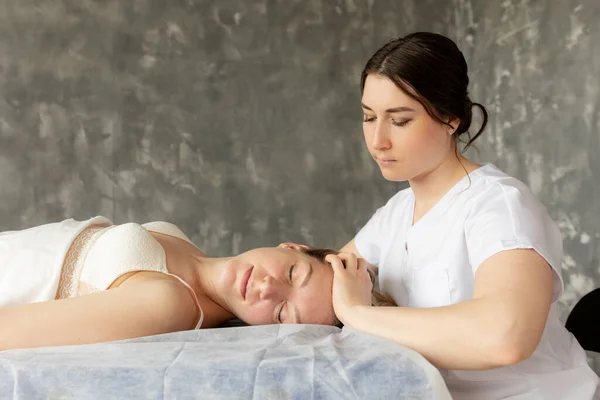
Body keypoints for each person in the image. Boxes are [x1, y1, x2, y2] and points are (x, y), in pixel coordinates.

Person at [318, 32, 598, 399]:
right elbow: (323, 286)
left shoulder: (500, 205)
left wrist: (358, 314)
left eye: (399, 120)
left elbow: (504, 337)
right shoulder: (396, 213)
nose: (377, 140)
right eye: (369, 118)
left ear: (450, 118)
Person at [0, 216, 393, 350]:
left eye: (281, 312)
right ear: (292, 246)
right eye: (293, 273)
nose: (266, 287)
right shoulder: (189, 251)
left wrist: (357, 312)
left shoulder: (169, 303)